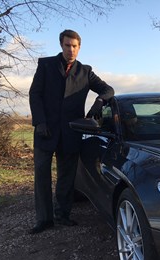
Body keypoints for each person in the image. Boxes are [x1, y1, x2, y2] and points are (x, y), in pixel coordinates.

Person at [28, 29, 114, 234]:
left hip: (71, 132)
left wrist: (100, 101)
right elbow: (35, 94)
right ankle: (44, 220)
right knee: (42, 175)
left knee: (67, 177)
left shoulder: (85, 71)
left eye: (75, 46)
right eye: (68, 45)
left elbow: (108, 89)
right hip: (45, 131)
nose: (71, 50)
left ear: (79, 47)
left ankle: (63, 215)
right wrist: (39, 122)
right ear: (61, 45)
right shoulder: (45, 65)